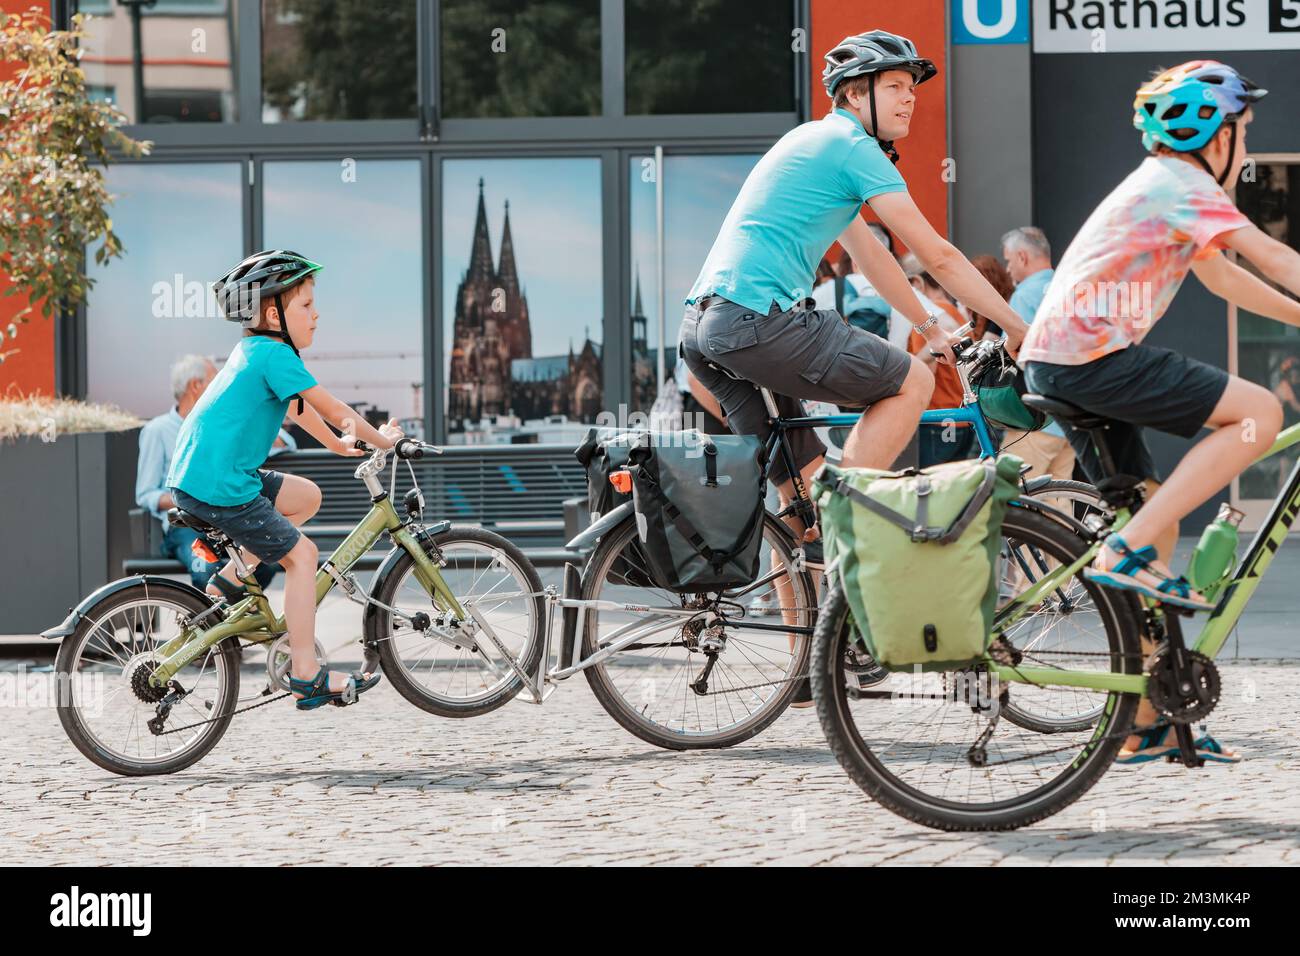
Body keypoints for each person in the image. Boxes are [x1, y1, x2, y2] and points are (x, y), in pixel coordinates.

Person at [1019, 60, 1300, 763]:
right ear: (1213, 133)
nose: (1249, 147)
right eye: (1244, 131)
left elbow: (1223, 274)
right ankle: (1125, 548)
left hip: (1065, 359)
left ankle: (1146, 719)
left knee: (1157, 517)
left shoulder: (1170, 188)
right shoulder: (1183, 184)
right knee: (1259, 414)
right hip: (1092, 356)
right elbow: (1270, 255)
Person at [679, 29, 1029, 569]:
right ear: (852, 93)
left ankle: (814, 648)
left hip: (705, 331)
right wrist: (1018, 326)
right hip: (758, 322)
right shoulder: (853, 149)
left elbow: (873, 259)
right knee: (910, 380)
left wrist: (931, 325)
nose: (910, 97)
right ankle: (848, 522)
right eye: (894, 86)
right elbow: (937, 256)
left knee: (799, 502)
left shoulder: (811, 143)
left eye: (912, 88)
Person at [165, 250, 404, 711]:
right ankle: (306, 674)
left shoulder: (256, 351)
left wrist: (338, 446)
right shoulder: (274, 354)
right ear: (273, 313)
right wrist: (386, 441)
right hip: (220, 485)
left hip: (210, 477)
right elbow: (335, 409)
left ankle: (231, 580)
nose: (317, 315)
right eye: (306, 306)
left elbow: (297, 408)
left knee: (305, 497)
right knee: (303, 556)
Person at [135, 356, 226, 590]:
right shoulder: (157, 430)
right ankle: (210, 624)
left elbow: (286, 442)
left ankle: (238, 620)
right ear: (196, 386)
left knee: (266, 562)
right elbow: (146, 494)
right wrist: (187, 498)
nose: (222, 387)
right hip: (185, 527)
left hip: (224, 523)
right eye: (215, 381)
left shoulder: (217, 425)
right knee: (206, 569)